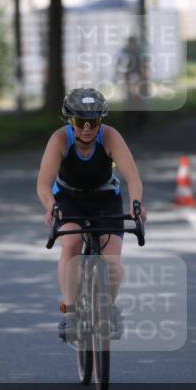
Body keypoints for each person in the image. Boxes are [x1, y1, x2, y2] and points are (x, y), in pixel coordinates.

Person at [36, 88, 146, 342]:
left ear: (100, 121)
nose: (87, 128)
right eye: (80, 122)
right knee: (72, 243)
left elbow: (133, 177)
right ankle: (69, 312)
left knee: (112, 262)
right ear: (70, 122)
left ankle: (110, 308)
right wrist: (51, 206)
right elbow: (43, 184)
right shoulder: (59, 140)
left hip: (105, 198)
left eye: (93, 122)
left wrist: (136, 203)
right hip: (69, 199)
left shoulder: (110, 137)